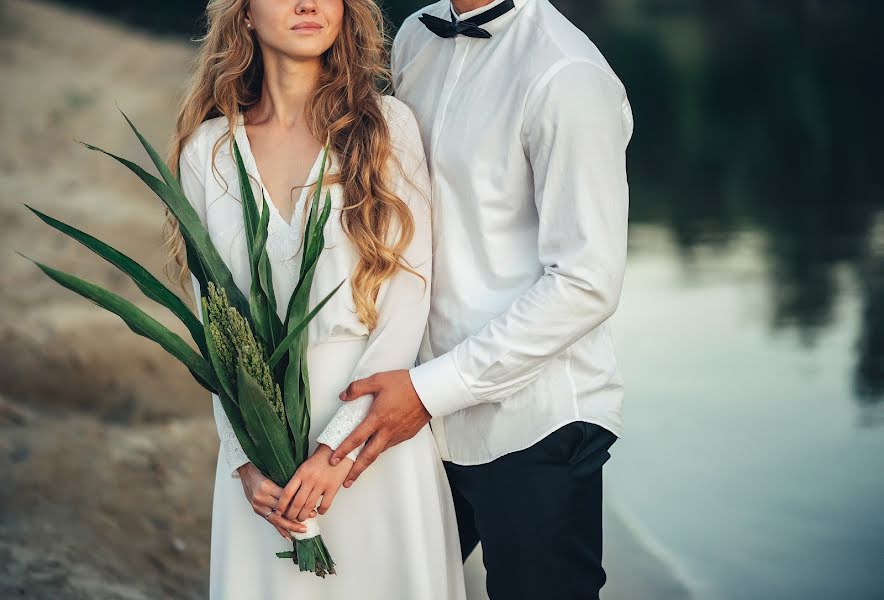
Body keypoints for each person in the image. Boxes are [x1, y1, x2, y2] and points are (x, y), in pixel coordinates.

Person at [325, 0, 634, 598]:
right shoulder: (416, 35)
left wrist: (429, 389)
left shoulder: (567, 75)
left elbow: (587, 282)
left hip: (533, 423)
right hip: (415, 409)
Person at [163, 1, 467, 598]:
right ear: (244, 15)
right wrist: (243, 460)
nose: (307, 4)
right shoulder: (209, 151)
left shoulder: (386, 126)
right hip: (263, 464)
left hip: (370, 443)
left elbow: (409, 299)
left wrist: (337, 449)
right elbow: (215, 329)